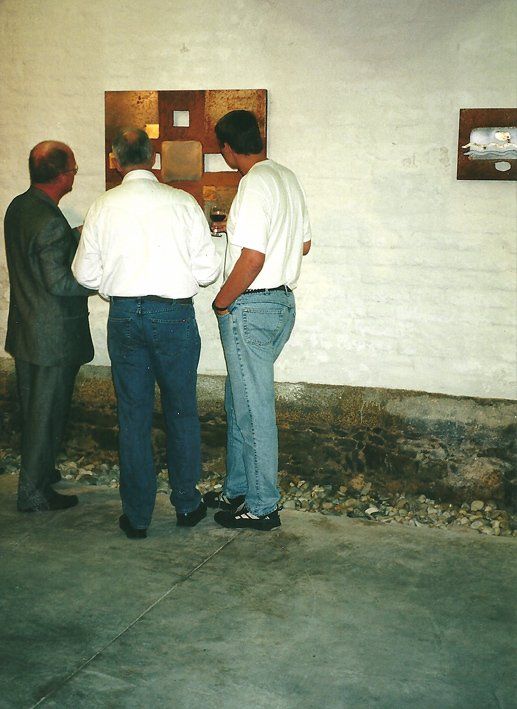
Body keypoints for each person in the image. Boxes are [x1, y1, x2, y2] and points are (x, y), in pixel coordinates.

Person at [72, 128, 221, 539]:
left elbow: (84, 274)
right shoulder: (182, 202)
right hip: (173, 315)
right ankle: (187, 504)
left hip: (124, 315)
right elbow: (208, 271)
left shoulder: (103, 205)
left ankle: (137, 516)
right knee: (181, 409)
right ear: (154, 158)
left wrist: (114, 281)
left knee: (133, 415)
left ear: (116, 160)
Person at [206, 110, 312, 531]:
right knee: (240, 401)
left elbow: (252, 258)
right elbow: (304, 245)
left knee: (253, 410)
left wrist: (222, 302)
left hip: (250, 308)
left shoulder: (252, 183)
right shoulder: (286, 176)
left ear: (228, 148)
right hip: (282, 304)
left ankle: (263, 505)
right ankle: (237, 489)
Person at [4, 141, 94, 512]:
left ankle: (41, 474)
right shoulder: (49, 221)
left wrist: (72, 234)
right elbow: (60, 283)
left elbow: (38, 252)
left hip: (29, 332)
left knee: (35, 413)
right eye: (73, 169)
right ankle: (32, 494)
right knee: (46, 416)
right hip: (53, 340)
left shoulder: (20, 207)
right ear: (60, 176)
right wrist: (100, 281)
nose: (74, 175)